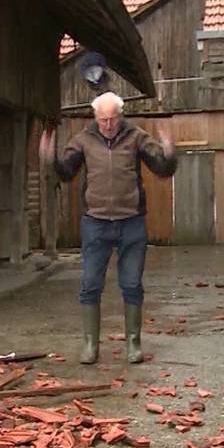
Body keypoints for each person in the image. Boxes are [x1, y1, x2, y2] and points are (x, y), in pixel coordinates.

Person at [40, 92, 177, 364]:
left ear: (121, 115)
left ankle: (133, 344)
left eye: (113, 119)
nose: (108, 125)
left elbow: (162, 169)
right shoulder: (83, 140)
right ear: (95, 118)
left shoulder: (136, 137)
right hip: (96, 224)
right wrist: (49, 159)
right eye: (103, 120)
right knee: (90, 284)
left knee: (132, 284)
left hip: (131, 222)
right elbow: (66, 173)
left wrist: (170, 151)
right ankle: (91, 345)